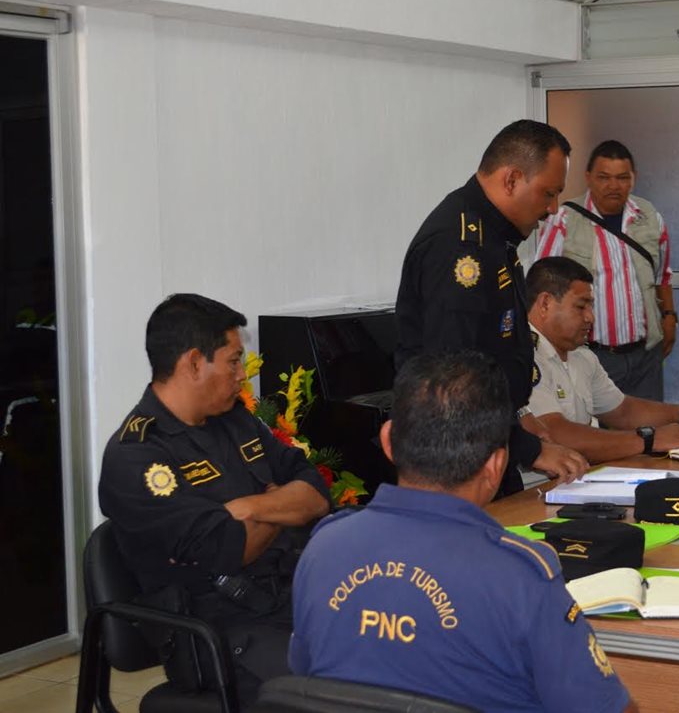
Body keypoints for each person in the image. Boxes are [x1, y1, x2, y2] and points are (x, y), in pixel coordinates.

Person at [289, 351, 637, 713]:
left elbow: (309, 677)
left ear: (388, 441)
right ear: (497, 465)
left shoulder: (323, 548)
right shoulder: (519, 575)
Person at [98, 294, 330, 702]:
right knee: (339, 691)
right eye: (234, 360)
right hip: (214, 634)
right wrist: (282, 504)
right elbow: (230, 547)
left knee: (390, 650)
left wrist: (250, 507)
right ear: (192, 362)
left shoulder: (235, 421)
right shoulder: (137, 456)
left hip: (287, 600)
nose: (242, 374)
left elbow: (315, 491)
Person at [394, 119, 589, 497]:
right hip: (456, 455)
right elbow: (452, 379)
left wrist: (517, 418)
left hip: (488, 440)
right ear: (512, 179)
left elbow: (493, 348)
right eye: (548, 194)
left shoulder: (491, 234)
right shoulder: (459, 246)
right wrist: (528, 450)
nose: (552, 209)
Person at [525, 257, 679, 461]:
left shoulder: (582, 357)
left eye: (591, 307)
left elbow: (623, 411)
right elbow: (554, 432)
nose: (590, 317)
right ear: (545, 303)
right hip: (532, 490)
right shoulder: (524, 356)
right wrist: (649, 439)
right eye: (581, 306)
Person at [534, 140, 674, 401]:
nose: (613, 186)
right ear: (588, 178)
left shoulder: (650, 216)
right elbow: (543, 286)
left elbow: (662, 275)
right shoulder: (563, 220)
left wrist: (669, 317)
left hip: (645, 356)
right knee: (602, 437)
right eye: (604, 177)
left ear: (633, 179)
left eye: (622, 177)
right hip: (590, 356)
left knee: (651, 433)